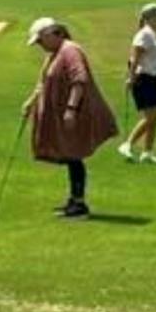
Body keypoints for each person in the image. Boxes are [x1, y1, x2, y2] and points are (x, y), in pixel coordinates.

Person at [24, 15, 119, 218]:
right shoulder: (55, 53)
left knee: (74, 156)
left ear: (51, 34)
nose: (40, 45)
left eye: (41, 41)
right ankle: (74, 200)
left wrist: (71, 109)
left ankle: (79, 204)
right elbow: (43, 82)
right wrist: (31, 101)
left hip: (76, 114)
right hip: (65, 115)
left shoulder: (70, 50)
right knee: (69, 155)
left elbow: (80, 80)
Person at [119, 1, 156, 163]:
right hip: (144, 79)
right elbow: (136, 58)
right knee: (150, 118)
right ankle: (128, 144)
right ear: (149, 18)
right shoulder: (144, 34)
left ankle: (147, 152)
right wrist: (131, 78)